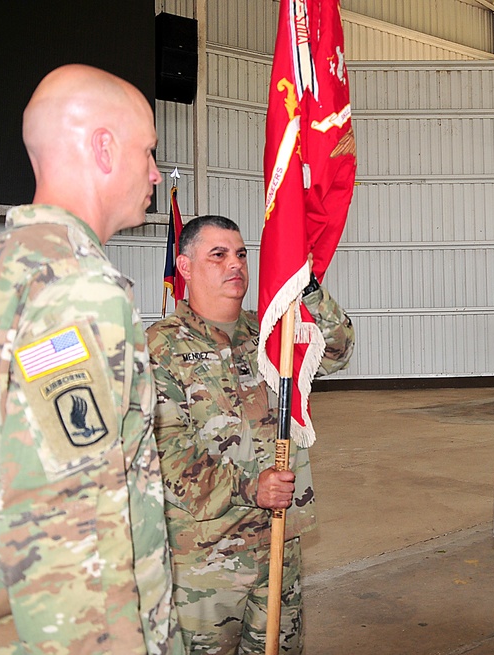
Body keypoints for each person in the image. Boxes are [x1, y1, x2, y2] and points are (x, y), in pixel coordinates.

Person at [0, 64, 182, 653]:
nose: (155, 172)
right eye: (148, 151)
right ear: (104, 147)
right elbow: (73, 540)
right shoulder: (78, 291)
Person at [147, 215, 354, 654]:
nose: (235, 264)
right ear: (184, 267)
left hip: (279, 546)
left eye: (241, 254)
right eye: (217, 255)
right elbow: (166, 457)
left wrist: (308, 284)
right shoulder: (159, 347)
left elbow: (336, 351)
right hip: (207, 563)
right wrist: (249, 487)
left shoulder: (270, 334)